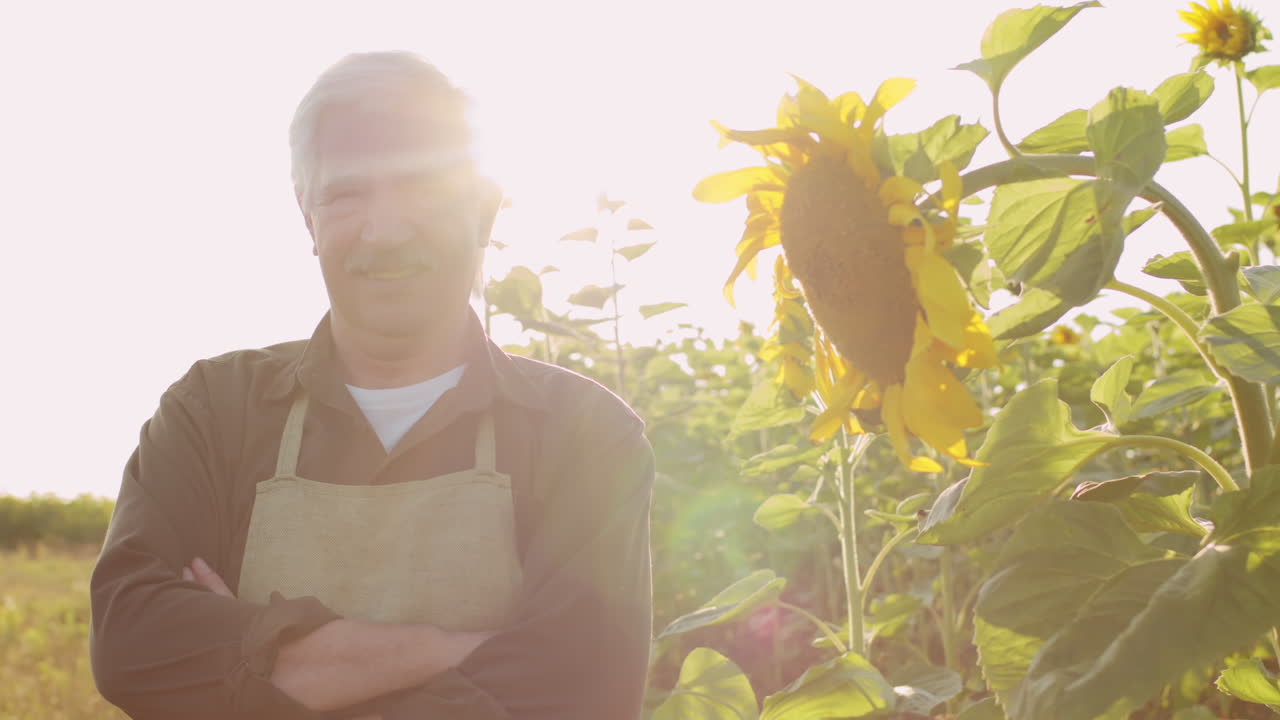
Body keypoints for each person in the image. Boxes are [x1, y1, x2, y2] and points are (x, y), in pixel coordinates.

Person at [89, 51, 654, 720]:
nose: (387, 230)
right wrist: (464, 649)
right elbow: (132, 645)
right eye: (347, 193)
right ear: (308, 217)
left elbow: (581, 688)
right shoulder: (215, 412)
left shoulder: (582, 433)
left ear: (483, 210)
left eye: (422, 188)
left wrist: (252, 661)